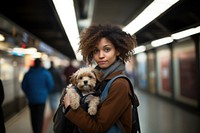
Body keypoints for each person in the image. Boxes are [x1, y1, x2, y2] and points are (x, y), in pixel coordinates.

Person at [63, 24, 137, 132]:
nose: (101, 55)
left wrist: (70, 108)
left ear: (118, 51)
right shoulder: (99, 78)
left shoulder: (119, 84)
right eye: (96, 51)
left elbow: (99, 129)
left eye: (107, 49)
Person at [21, 58, 54, 133]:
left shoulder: (28, 74)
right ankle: (39, 131)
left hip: (31, 99)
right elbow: (51, 84)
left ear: (34, 64)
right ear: (40, 64)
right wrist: (45, 92)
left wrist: (28, 94)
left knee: (33, 116)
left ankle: (35, 130)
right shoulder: (45, 73)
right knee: (40, 116)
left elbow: (23, 86)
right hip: (42, 99)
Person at [42, 61, 64, 133]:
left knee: (52, 103)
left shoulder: (47, 71)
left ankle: (54, 114)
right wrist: (61, 89)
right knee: (55, 102)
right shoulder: (56, 71)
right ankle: (55, 116)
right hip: (56, 89)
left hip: (50, 90)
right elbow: (60, 81)